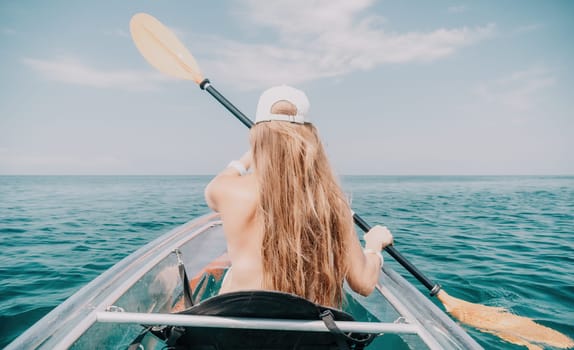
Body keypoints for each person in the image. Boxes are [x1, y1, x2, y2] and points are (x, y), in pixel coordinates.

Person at [204, 85, 393, 308]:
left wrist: (248, 156)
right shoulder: (331, 201)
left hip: (238, 321)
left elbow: (219, 183)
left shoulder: (227, 191)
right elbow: (363, 283)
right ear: (310, 140)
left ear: (256, 138)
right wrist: (373, 247)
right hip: (302, 332)